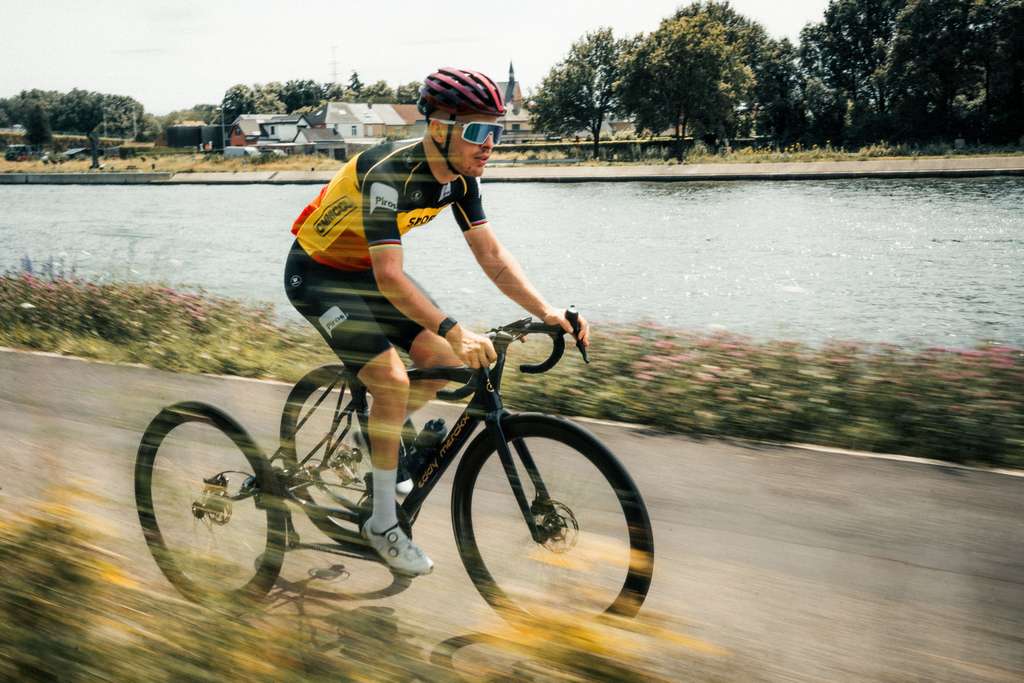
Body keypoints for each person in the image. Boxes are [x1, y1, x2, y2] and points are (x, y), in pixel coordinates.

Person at [283, 67, 589, 576]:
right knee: (392, 379)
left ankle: (375, 434)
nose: (489, 143)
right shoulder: (388, 173)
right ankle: (382, 523)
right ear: (439, 127)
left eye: (496, 131)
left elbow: (492, 256)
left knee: (444, 362)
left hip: (366, 274)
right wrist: (456, 329)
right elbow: (390, 275)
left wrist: (547, 311)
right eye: (477, 130)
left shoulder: (461, 178)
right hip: (318, 275)